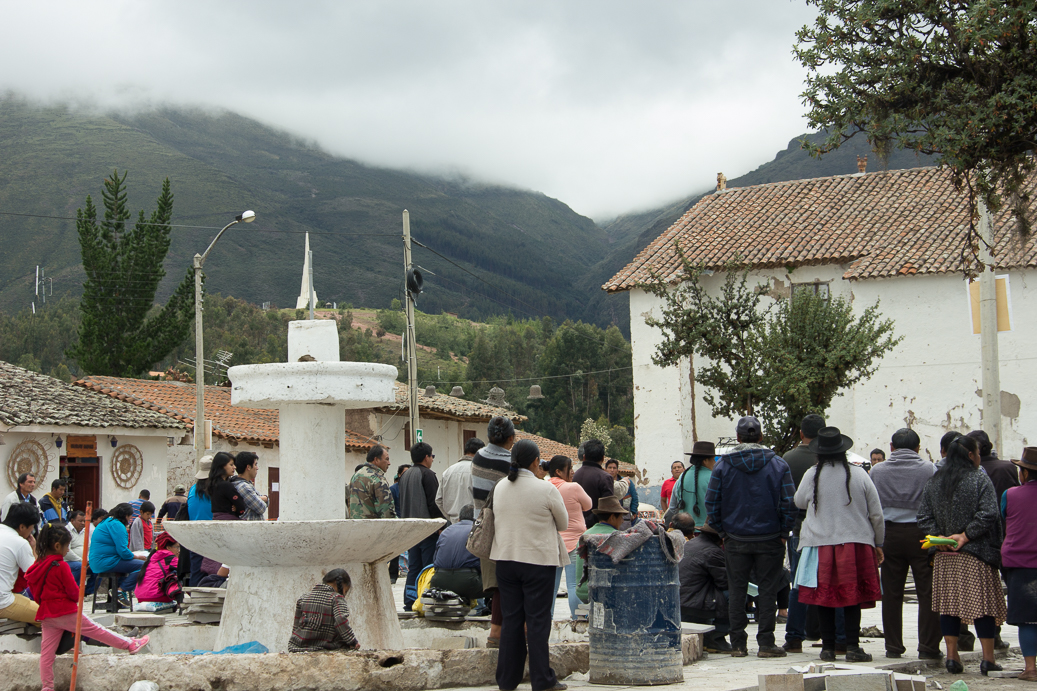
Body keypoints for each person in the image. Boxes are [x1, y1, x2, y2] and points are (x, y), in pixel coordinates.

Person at [706, 415, 795, 658]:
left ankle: (738, 644)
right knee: (768, 590)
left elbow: (712, 503)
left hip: (735, 538)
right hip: (770, 538)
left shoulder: (723, 465)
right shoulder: (778, 464)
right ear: (761, 437)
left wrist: (723, 532)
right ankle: (766, 643)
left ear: (737, 437)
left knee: (737, 590)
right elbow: (789, 502)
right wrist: (784, 533)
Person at [793, 426, 884, 663]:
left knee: (824, 597)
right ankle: (852, 647)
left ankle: (828, 648)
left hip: (820, 543)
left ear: (819, 452)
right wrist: (879, 543)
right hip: (855, 543)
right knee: (852, 597)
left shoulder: (812, 474)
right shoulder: (860, 474)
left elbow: (799, 501)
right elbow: (876, 514)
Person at [917, 433, 1006, 676]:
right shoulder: (979, 478)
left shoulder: (935, 481)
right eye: (977, 453)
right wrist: (965, 536)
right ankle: (988, 659)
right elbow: (989, 513)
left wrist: (942, 539)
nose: (979, 457)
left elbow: (923, 517)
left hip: (945, 557)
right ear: (970, 455)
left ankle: (952, 657)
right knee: (983, 608)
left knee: (949, 607)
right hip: (975, 554)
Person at [27, 523, 149, 691]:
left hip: (47, 614)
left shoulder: (37, 566)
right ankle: (129, 644)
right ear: (57, 546)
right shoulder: (60, 566)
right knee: (96, 629)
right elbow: (73, 592)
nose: (67, 550)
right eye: (67, 546)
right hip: (66, 611)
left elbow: (34, 592)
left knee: (47, 654)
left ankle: (47, 687)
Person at [491, 439, 569, 691]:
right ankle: (542, 680)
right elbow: (563, 524)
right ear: (536, 461)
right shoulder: (545, 489)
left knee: (512, 619)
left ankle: (507, 679)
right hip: (537, 561)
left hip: (505, 560)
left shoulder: (501, 486)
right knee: (537, 621)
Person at [870, 427, 940, 660]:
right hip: (921, 534)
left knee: (891, 593)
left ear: (891, 448)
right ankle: (928, 647)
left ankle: (893, 646)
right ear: (918, 448)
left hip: (889, 534)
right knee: (927, 592)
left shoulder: (878, 471)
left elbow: (873, 507)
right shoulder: (929, 468)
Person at [471, 416, 518, 646]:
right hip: (506, 529)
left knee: (496, 584)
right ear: (510, 437)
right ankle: (502, 633)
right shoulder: (512, 462)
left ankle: (496, 632)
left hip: (483, 527)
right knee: (510, 582)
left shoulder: (478, 456)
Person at [781, 413, 825, 653]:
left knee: (800, 581)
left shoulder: (789, 458)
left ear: (801, 433)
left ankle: (795, 635)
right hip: (829, 533)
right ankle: (820, 631)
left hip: (799, 529)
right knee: (827, 581)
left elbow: (790, 498)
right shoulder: (830, 460)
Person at [1002, 447, 1037, 681]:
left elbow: (1004, 516)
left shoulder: (1010, 494)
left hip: (1019, 561)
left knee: (1027, 618)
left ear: (1023, 473)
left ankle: (1030, 669)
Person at [675, 512, 731, 653]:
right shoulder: (713, 551)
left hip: (681, 602)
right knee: (735, 594)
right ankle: (716, 638)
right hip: (692, 604)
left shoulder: (692, 543)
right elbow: (725, 583)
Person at [399, 442, 444, 611]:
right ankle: (426, 600)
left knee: (413, 567)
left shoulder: (405, 475)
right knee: (428, 567)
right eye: (432, 456)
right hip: (427, 529)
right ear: (426, 457)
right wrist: (441, 524)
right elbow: (434, 504)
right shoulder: (428, 475)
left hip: (410, 530)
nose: (432, 459)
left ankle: (410, 601)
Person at [547, 455, 591, 620]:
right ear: (559, 471)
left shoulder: (545, 487)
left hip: (553, 543)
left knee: (551, 586)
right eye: (569, 468)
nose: (572, 472)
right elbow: (589, 505)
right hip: (575, 542)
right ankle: (578, 618)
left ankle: (548, 619)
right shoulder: (573, 487)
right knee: (573, 584)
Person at [288, 568, 360, 652]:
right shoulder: (336, 598)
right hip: (323, 647)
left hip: (297, 648)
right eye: (346, 591)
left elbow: (296, 627)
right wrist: (352, 641)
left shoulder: (303, 597)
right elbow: (341, 620)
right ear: (341, 585)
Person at [574, 495, 628, 604]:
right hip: (601, 591)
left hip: (582, 592)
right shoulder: (616, 536)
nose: (622, 521)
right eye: (621, 517)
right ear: (612, 517)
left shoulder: (585, 534)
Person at [88, 503, 146, 596]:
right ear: (126, 516)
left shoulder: (107, 521)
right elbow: (122, 551)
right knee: (144, 566)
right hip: (106, 561)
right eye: (130, 517)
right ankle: (121, 591)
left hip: (99, 561)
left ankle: (119, 597)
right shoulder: (117, 525)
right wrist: (136, 556)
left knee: (129, 566)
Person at [430, 504, 483, 600]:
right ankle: (482, 609)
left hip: (438, 582)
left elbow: (435, 560)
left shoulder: (446, 531)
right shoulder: (477, 531)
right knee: (498, 583)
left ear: (459, 519)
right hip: (467, 583)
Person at [0, 503, 40, 623]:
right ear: (22, 527)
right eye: (31, 527)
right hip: (3, 602)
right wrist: (34, 549)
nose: (32, 531)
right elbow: (36, 575)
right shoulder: (20, 542)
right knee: (49, 617)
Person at [665, 441, 717, 529]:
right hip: (709, 532)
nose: (715, 463)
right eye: (713, 460)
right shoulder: (714, 477)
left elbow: (673, 508)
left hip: (686, 532)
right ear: (705, 461)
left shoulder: (682, 477)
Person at [436, 437, 484, 523]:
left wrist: (450, 517)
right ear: (480, 452)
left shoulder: (447, 471)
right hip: (473, 522)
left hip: (452, 522)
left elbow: (439, 500)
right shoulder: (478, 471)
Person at [572, 438, 614, 528]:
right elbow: (607, 509)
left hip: (577, 527)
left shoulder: (575, 475)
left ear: (584, 457)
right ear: (603, 458)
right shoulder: (605, 477)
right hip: (597, 529)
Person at [348, 445, 396, 519]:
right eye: (387, 459)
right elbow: (386, 511)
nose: (389, 463)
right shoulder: (378, 479)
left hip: (356, 526)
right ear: (376, 460)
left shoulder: (356, 475)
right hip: (374, 527)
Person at [135, 532, 181, 605]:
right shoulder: (169, 557)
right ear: (168, 547)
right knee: (178, 577)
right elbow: (184, 569)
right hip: (155, 597)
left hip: (141, 598)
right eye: (177, 547)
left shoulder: (154, 557)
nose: (179, 550)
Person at [206, 452, 246, 520]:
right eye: (231, 465)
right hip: (229, 520)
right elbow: (241, 506)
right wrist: (237, 509)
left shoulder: (212, 484)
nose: (234, 467)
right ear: (222, 466)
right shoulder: (226, 486)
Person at [230, 452, 269, 521]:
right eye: (255, 465)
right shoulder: (243, 487)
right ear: (248, 467)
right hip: (250, 529)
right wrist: (264, 498)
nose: (257, 468)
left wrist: (261, 498)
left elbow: (265, 501)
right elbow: (261, 508)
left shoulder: (247, 484)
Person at [64, 510, 87, 583]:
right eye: (80, 521)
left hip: (84, 561)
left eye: (84, 521)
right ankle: (74, 588)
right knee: (80, 566)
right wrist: (82, 561)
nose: (83, 523)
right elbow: (67, 552)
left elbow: (89, 547)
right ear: (72, 520)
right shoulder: (66, 531)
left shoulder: (85, 531)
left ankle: (89, 591)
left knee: (97, 566)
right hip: (68, 561)